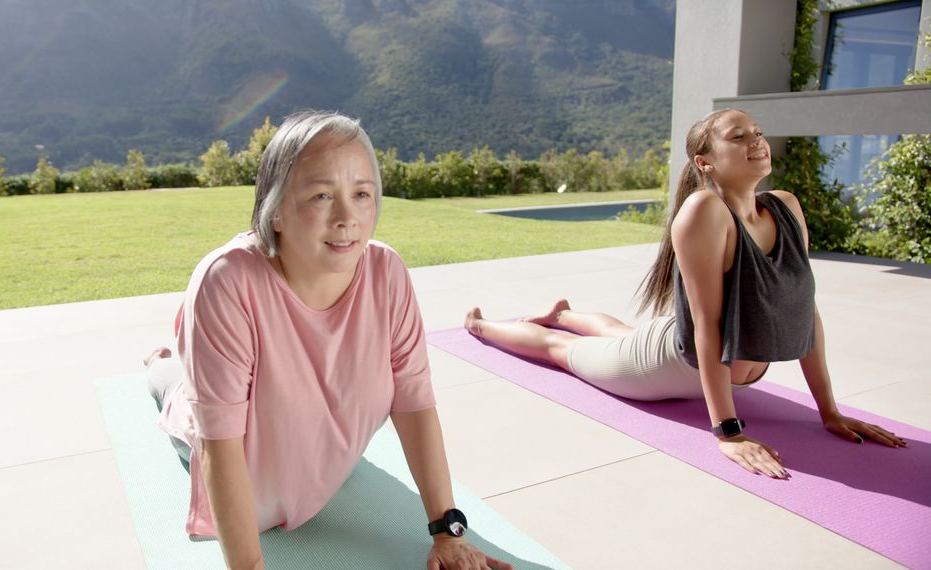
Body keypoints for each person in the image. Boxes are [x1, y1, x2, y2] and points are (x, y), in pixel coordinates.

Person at [145, 110, 512, 570]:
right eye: (321, 195)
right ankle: (162, 363)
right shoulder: (228, 281)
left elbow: (414, 400)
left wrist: (448, 530)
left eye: (362, 194)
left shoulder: (386, 272)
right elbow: (220, 442)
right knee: (173, 388)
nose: (347, 218)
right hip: (217, 435)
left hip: (313, 447)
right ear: (275, 210)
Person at [463, 108, 906, 479]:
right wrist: (728, 432)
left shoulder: (786, 206)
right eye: (738, 136)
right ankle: (482, 325)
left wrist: (829, 411)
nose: (757, 140)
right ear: (705, 163)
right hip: (667, 364)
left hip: (693, 349)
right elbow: (707, 329)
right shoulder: (705, 212)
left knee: (620, 332)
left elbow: (802, 309)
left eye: (758, 132)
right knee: (563, 352)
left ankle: (563, 313)